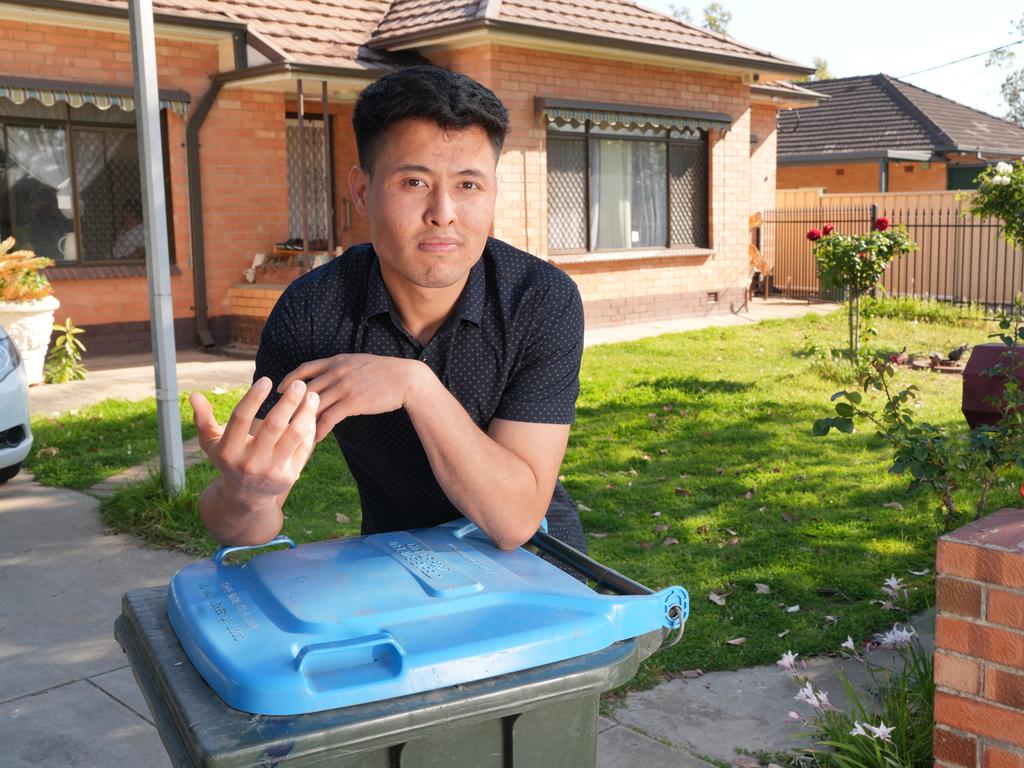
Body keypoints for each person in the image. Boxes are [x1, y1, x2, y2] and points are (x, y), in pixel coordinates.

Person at [190, 65, 587, 560]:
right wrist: (247, 494)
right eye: (414, 181)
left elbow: (514, 521)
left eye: (468, 186)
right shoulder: (315, 311)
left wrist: (415, 387)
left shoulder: (540, 299)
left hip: (541, 567)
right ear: (361, 189)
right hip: (398, 564)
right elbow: (240, 529)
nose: (443, 212)